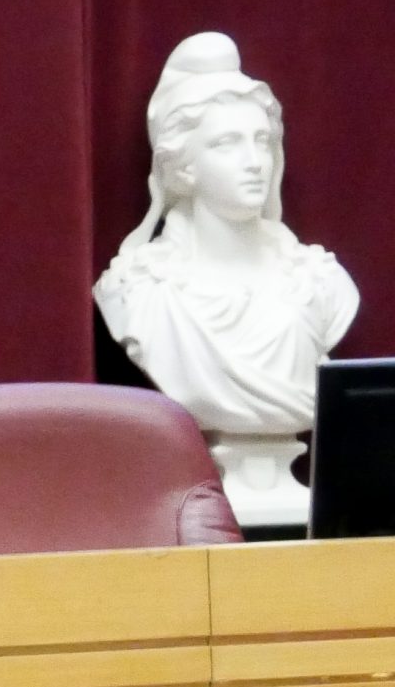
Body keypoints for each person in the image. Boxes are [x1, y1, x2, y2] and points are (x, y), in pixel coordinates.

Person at [94, 31, 357, 523]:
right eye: (226, 144)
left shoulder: (321, 282)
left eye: (262, 141)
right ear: (183, 168)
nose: (254, 162)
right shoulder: (142, 293)